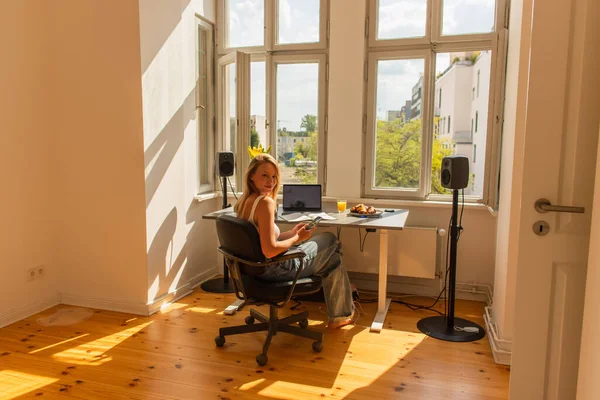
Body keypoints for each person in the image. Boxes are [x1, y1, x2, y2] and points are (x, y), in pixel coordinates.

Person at [234, 153, 355, 329]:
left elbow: (261, 240)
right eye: (265, 175)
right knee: (330, 240)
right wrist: (298, 238)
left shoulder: (244, 202)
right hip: (275, 269)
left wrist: (291, 233)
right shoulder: (265, 203)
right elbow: (269, 250)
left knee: (333, 259)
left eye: (274, 176)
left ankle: (340, 316)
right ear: (251, 176)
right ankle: (340, 314)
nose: (271, 181)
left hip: (254, 269)